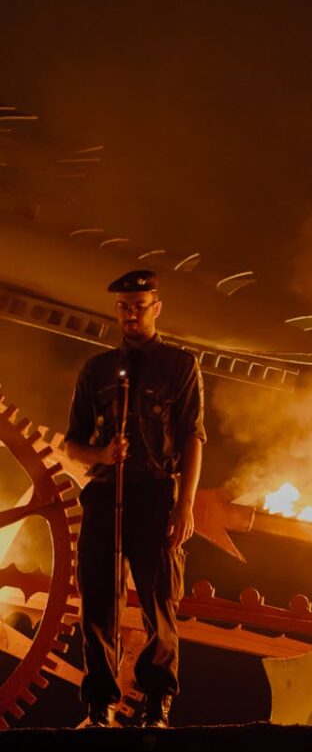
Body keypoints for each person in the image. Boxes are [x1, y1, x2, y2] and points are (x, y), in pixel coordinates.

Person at [64, 269, 204, 727]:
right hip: (105, 495)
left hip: (156, 495)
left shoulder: (180, 366)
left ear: (156, 308)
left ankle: (156, 703)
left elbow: (192, 436)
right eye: (123, 307)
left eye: (139, 307)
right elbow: (73, 443)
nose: (130, 315)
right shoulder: (96, 370)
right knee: (97, 602)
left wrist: (185, 505)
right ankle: (99, 704)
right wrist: (102, 454)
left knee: (159, 601)